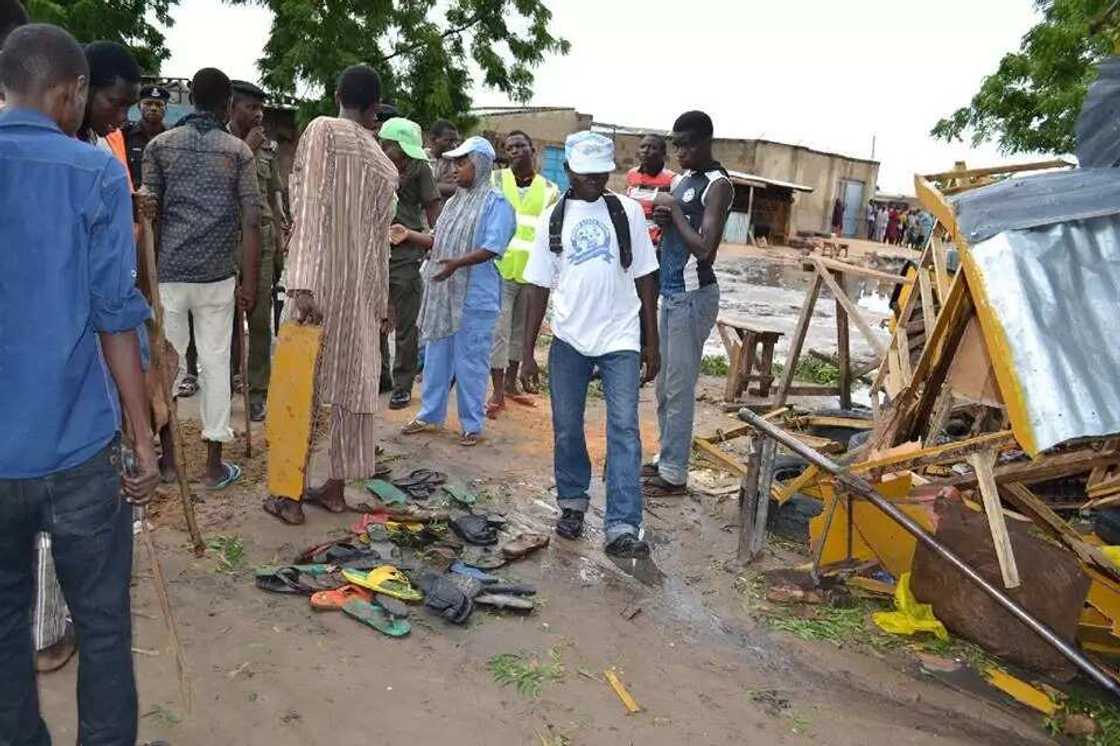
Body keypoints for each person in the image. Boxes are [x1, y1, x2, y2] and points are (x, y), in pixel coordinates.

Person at [0, 23, 160, 744]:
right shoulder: (94, 173)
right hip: (77, 453)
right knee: (101, 627)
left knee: (2, 630)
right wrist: (143, 435)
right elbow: (114, 317)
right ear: (69, 93)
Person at [262, 64, 398, 525]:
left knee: (297, 388)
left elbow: (311, 205)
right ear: (375, 107)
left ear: (338, 92)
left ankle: (288, 495)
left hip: (316, 288)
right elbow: (380, 245)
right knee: (350, 390)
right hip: (359, 295)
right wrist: (380, 305)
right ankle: (336, 488)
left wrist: (300, 280)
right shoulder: (383, 164)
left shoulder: (323, 130)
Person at [519, 131, 660, 558]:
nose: (595, 182)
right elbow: (537, 287)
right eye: (586, 176)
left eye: (601, 175)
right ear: (568, 172)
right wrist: (527, 352)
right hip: (569, 338)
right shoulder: (552, 218)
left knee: (623, 428)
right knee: (566, 425)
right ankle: (573, 502)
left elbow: (645, 279)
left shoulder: (629, 213)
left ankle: (621, 524)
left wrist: (652, 342)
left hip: (620, 336)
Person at [142, 67, 261, 489]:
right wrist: (250, 282)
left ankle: (171, 462)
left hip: (169, 274)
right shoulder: (237, 153)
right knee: (215, 364)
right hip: (216, 278)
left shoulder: (160, 147)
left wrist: (147, 278)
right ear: (227, 104)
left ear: (190, 98)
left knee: (169, 366)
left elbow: (148, 216)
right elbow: (252, 220)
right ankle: (213, 466)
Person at [400, 136, 516, 446]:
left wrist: (457, 264)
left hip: (474, 298)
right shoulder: (453, 203)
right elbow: (437, 241)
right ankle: (430, 415)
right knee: (437, 357)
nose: (454, 169)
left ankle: (472, 425)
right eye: (453, 163)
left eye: (461, 163)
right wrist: (409, 234)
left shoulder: (496, 203)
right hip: (445, 295)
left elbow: (493, 247)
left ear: (478, 165)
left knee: (471, 362)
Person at [642, 111, 733, 498]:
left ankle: (675, 473)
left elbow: (705, 249)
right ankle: (667, 457)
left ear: (705, 143)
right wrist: (666, 217)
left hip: (694, 295)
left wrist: (674, 212)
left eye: (686, 145)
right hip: (672, 292)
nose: (679, 152)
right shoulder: (682, 181)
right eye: (676, 145)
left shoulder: (719, 184)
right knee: (665, 386)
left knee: (679, 387)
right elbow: (677, 235)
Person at [486, 129, 559, 418]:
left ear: (533, 150)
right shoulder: (496, 180)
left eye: (520, 145)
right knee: (499, 331)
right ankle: (496, 391)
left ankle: (512, 385)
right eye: (509, 147)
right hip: (500, 268)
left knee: (521, 332)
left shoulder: (550, 189)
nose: (514, 150)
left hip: (532, 272)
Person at [229, 79, 287, 422]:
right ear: (233, 107)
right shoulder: (221, 144)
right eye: (251, 107)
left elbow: (272, 198)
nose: (259, 113)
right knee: (225, 321)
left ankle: (257, 392)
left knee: (260, 321)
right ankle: (225, 386)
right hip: (228, 240)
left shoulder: (267, 147)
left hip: (262, 242)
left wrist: (280, 243)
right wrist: (245, 150)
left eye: (260, 107)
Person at [379, 116, 440, 410]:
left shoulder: (420, 168)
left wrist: (435, 241)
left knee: (405, 322)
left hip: (405, 250)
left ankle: (402, 384)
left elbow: (432, 207)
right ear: (385, 145)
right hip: (371, 250)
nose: (402, 160)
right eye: (398, 153)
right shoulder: (370, 163)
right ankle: (379, 374)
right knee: (372, 317)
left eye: (406, 155)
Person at [625, 133, 676, 246]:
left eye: (653, 148)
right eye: (642, 147)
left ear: (663, 154)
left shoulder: (672, 179)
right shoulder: (632, 174)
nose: (645, 151)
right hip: (634, 236)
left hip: (658, 242)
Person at [123, 84, 168, 188]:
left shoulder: (172, 139)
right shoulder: (125, 135)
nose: (153, 108)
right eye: (148, 103)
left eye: (159, 104)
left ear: (166, 108)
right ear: (139, 106)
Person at [429, 118, 461, 199]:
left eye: (455, 141)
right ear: (433, 140)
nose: (454, 145)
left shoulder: (457, 161)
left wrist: (429, 185)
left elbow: (459, 188)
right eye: (449, 141)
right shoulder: (422, 159)